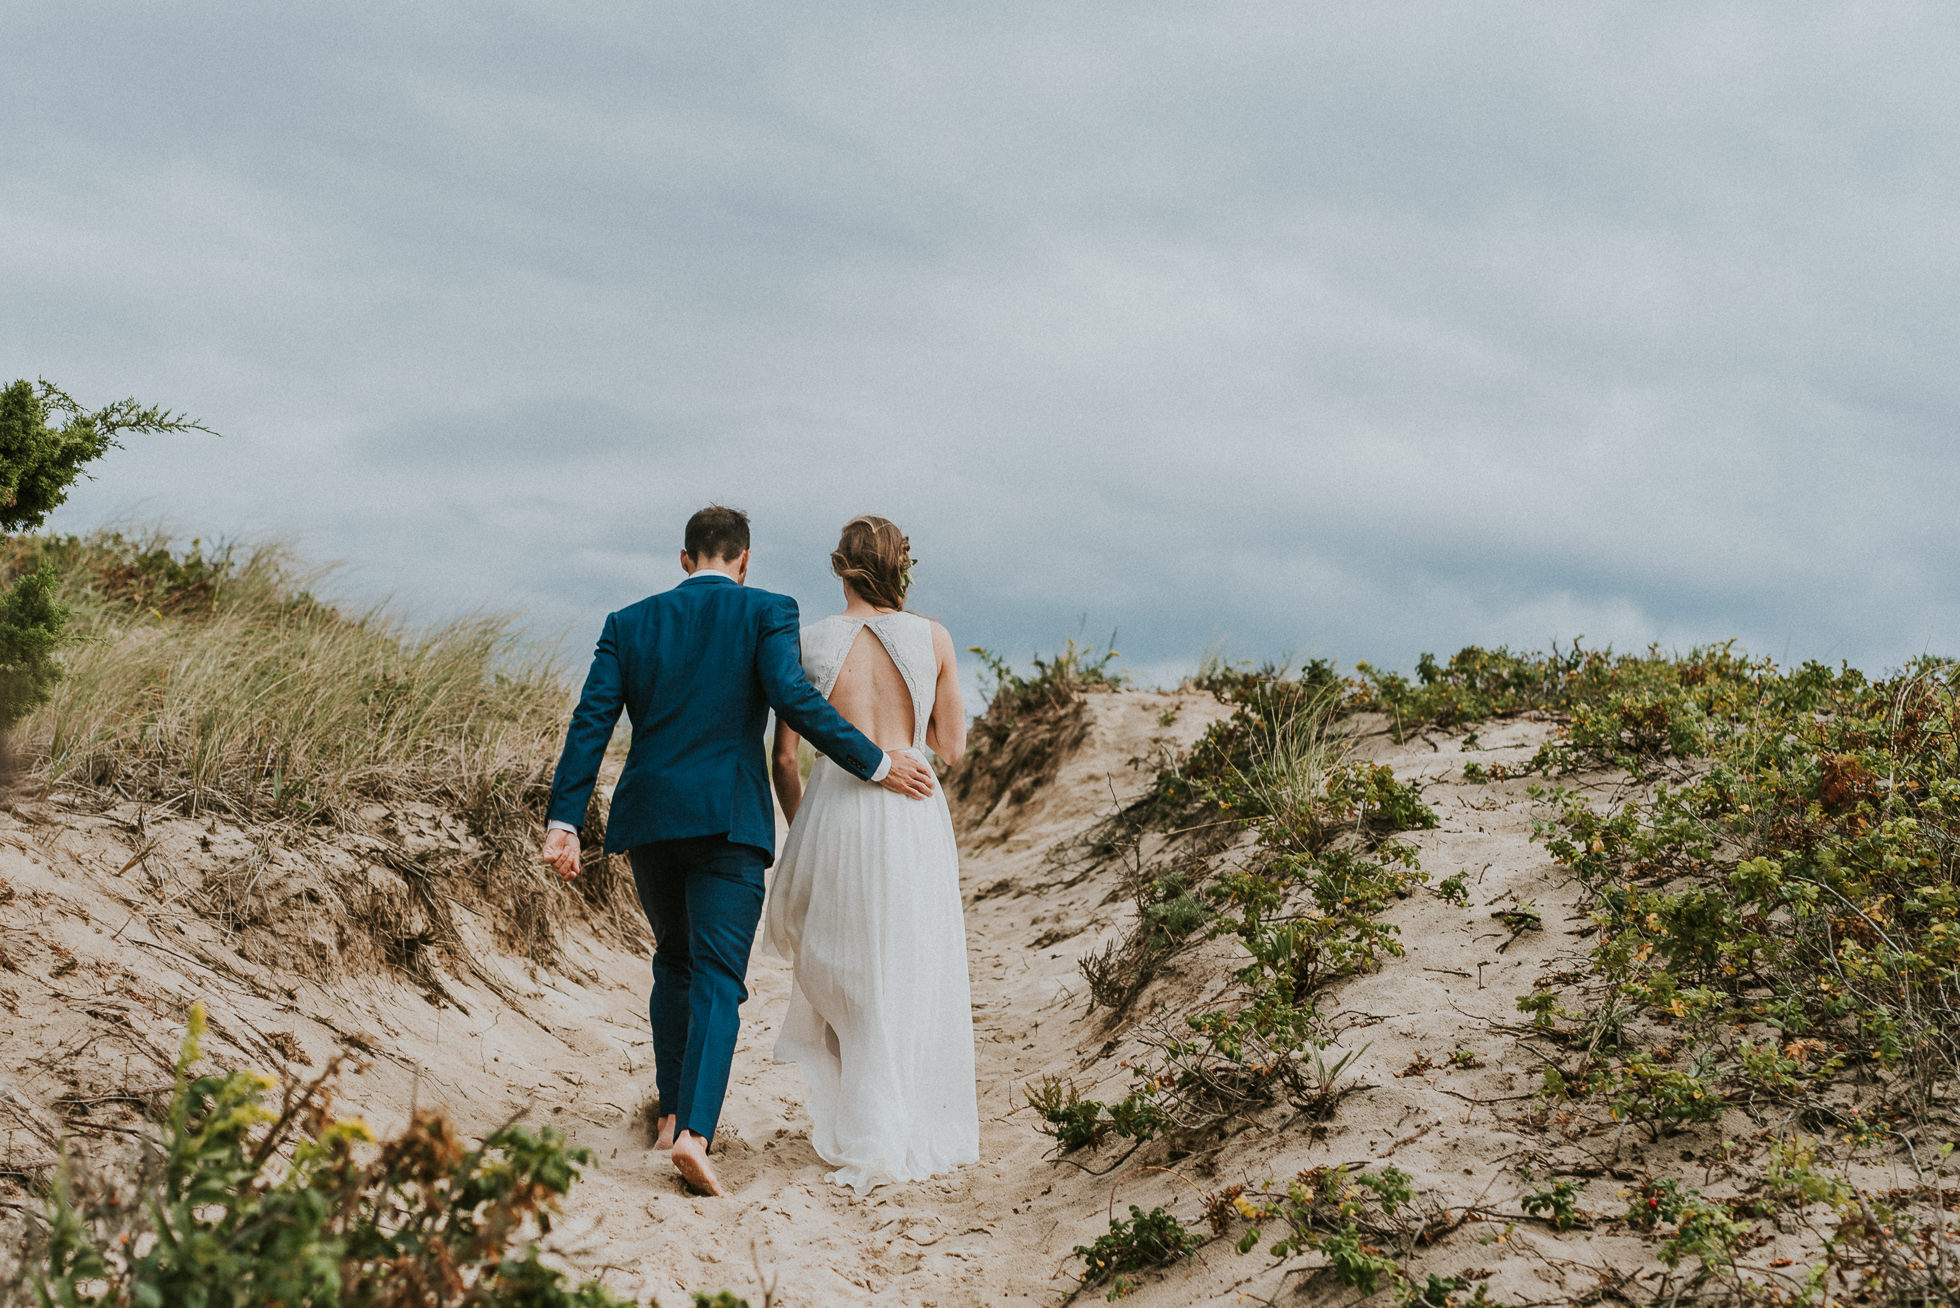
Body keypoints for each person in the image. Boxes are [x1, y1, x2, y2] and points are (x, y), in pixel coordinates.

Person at [538, 505, 938, 1197]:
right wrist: (876, 762)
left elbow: (590, 720)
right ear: (744, 560)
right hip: (728, 820)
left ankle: (669, 1116)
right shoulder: (768, 611)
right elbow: (793, 699)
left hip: (652, 817)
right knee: (721, 977)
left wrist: (565, 820)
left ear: (686, 559)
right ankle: (695, 1133)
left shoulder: (627, 623)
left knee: (674, 962)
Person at [763, 514, 979, 1193]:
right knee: (909, 961)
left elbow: (785, 758)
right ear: (900, 566)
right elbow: (951, 750)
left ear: (840, 567)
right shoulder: (934, 637)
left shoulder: (810, 641)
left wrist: (806, 826)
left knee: (843, 963)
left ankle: (864, 1116)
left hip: (835, 809)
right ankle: (898, 1119)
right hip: (911, 808)